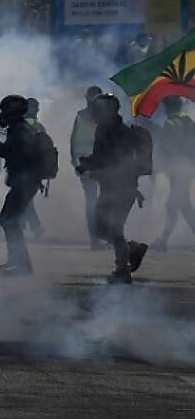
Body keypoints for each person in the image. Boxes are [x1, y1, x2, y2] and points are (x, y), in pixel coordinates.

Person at [77, 93, 151, 284]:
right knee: (101, 229)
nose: (94, 113)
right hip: (110, 186)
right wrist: (88, 164)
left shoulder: (121, 134)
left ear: (108, 111)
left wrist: (90, 163)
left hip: (123, 187)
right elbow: (100, 156)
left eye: (97, 110)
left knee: (115, 229)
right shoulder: (103, 130)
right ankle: (131, 249)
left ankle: (122, 271)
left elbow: (113, 159)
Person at [0, 96, 40, 275]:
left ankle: (21, 264)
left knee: (9, 220)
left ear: (11, 113)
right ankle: (17, 261)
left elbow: (5, 151)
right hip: (24, 182)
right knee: (8, 219)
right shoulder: (19, 129)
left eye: (4, 112)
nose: (1, 116)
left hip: (25, 182)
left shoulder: (20, 130)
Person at [153, 96, 195, 251]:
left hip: (178, 169)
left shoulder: (170, 123)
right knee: (182, 205)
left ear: (168, 107)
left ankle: (163, 241)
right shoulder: (188, 121)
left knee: (173, 205)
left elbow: (167, 148)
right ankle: (163, 240)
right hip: (189, 168)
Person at [71, 86, 105, 249]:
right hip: (95, 164)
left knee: (93, 201)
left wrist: (75, 161)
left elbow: (73, 139)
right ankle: (98, 239)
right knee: (98, 201)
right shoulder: (103, 117)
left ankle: (96, 239)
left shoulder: (81, 115)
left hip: (87, 163)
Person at [20, 97, 48, 239]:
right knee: (26, 200)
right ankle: (28, 226)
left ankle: (33, 227)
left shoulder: (19, 126)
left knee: (24, 200)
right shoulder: (39, 127)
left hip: (23, 170)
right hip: (35, 170)